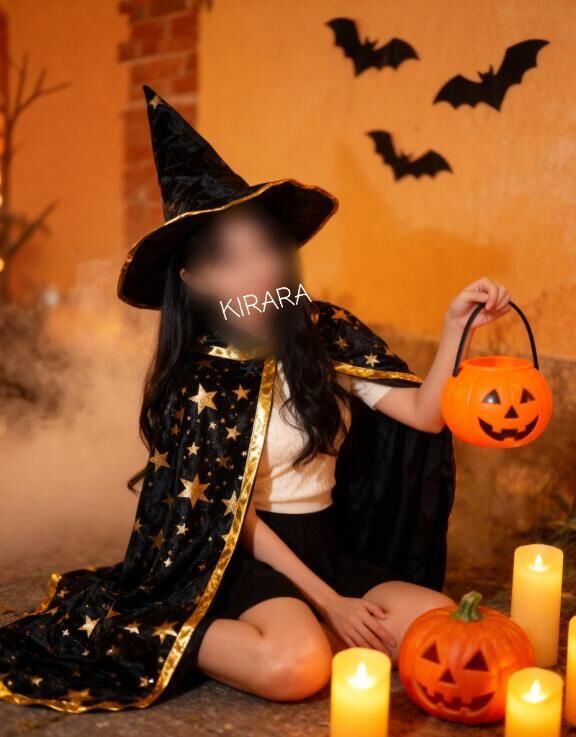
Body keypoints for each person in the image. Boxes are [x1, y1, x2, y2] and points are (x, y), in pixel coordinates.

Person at [0, 86, 511, 712]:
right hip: (238, 557)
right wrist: (329, 602)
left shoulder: (325, 330)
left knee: (444, 626)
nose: (258, 272)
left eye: (264, 248)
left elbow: (425, 416)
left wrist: (456, 327)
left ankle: (310, 630)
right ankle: (152, 631)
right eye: (229, 260)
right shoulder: (200, 380)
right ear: (195, 279)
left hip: (330, 546)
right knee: (295, 669)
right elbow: (231, 517)